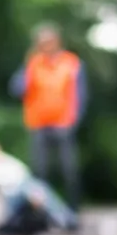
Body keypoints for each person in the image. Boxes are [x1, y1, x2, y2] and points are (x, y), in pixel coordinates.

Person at [8, 22, 88, 218]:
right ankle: (43, 215)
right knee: (40, 173)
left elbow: (81, 94)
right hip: (38, 124)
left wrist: (73, 121)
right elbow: (17, 89)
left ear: (57, 41)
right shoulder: (33, 63)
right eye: (41, 42)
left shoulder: (71, 62)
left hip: (63, 124)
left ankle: (73, 213)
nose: (45, 46)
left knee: (69, 171)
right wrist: (27, 65)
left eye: (48, 41)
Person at [0, 136, 79, 235]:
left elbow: (23, 172)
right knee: (34, 188)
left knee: (36, 187)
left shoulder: (3, 159)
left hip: (23, 189)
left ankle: (63, 218)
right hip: (9, 197)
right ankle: (65, 219)